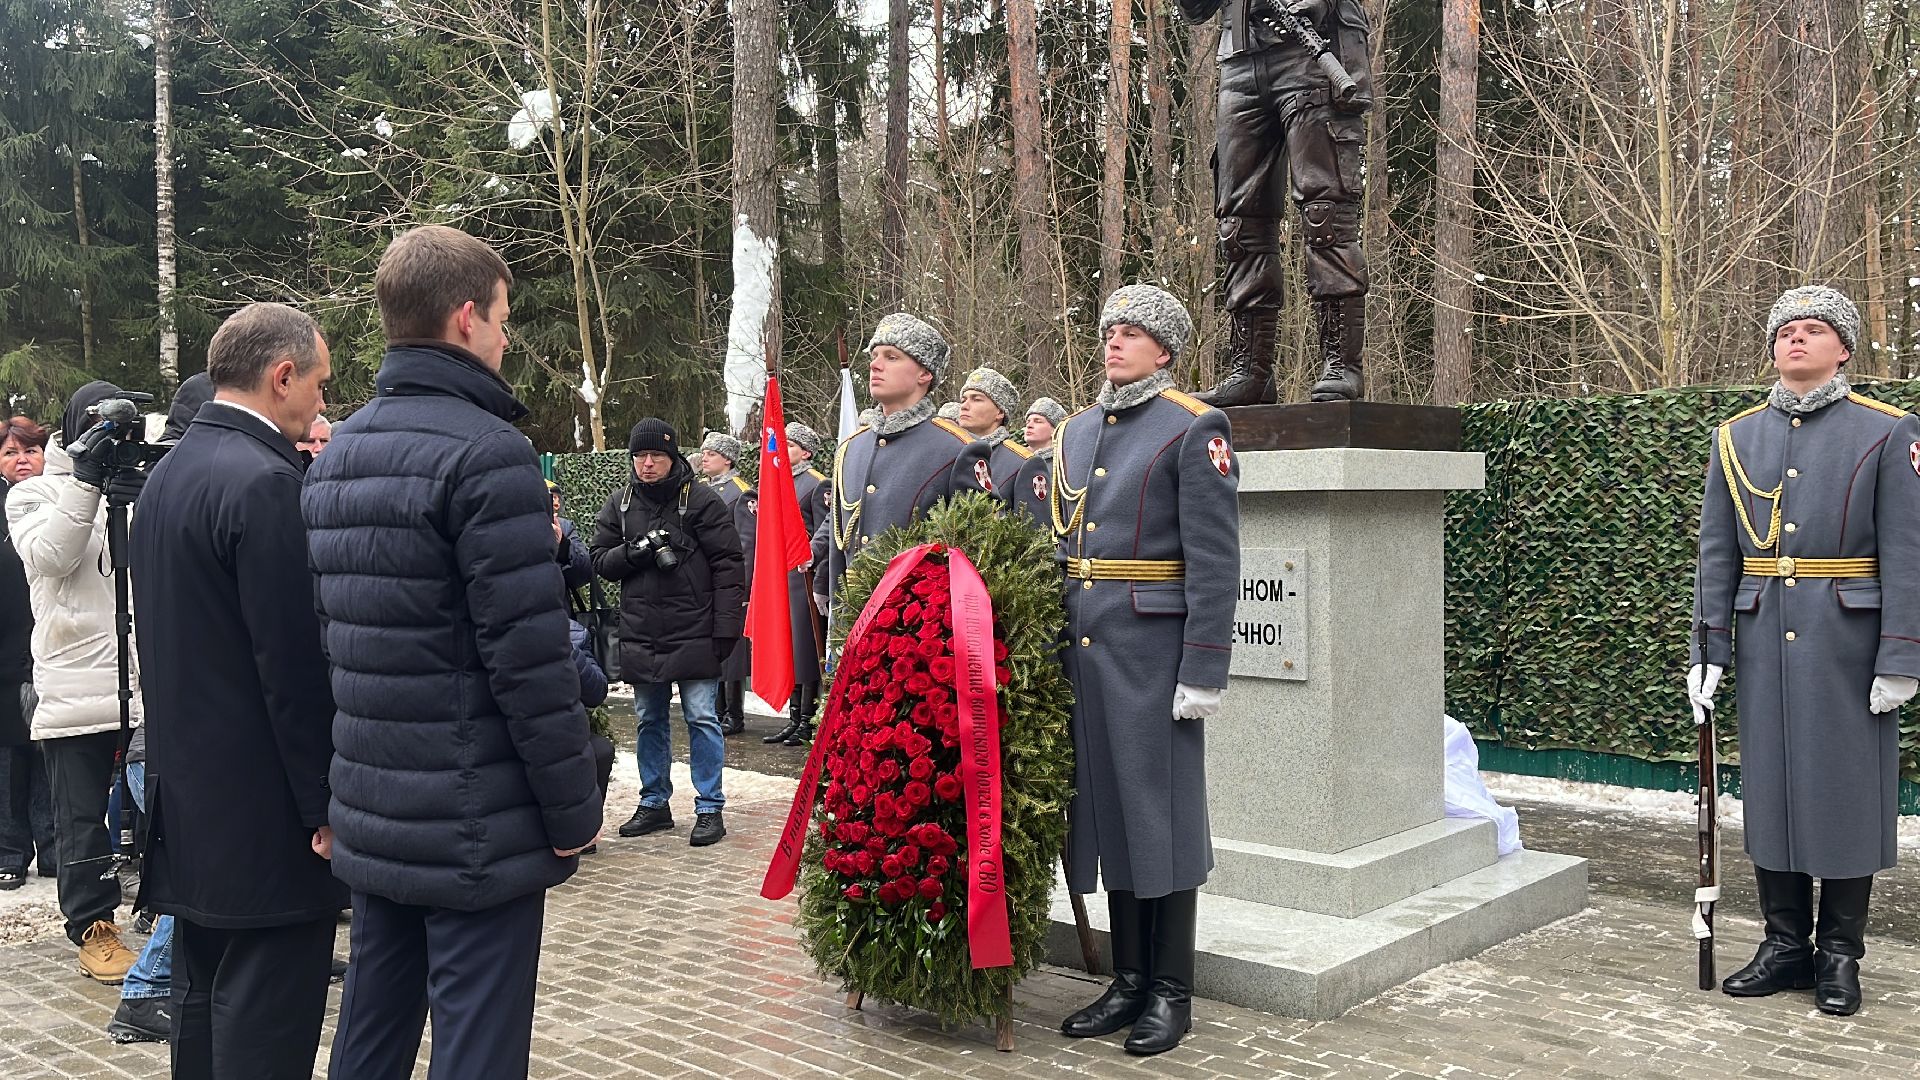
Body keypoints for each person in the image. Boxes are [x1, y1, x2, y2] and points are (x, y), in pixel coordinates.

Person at [305, 224, 603, 1080]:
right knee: (478, 1046)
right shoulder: (490, 455)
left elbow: (334, 646)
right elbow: (530, 661)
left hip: (377, 807)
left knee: (372, 1026)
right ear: (467, 317)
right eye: (504, 317)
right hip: (476, 823)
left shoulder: (337, 455)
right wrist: (573, 811)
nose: (509, 338)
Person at [1689, 285, 1920, 1017]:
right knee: (1773, 793)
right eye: (1785, 330)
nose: (1796, 339)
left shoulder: (1886, 431)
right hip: (1764, 641)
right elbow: (1716, 554)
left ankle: (1840, 954)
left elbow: (1908, 553)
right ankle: (1784, 945)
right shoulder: (1736, 437)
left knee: (1847, 798)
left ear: (1843, 348)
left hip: (1849, 643)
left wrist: (1902, 657)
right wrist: (1710, 648)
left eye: (1814, 330)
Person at [129, 302, 344, 1077]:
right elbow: (294, 667)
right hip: (265, 822)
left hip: (190, 806)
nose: (323, 400)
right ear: (282, 375)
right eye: (319, 382)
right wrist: (324, 807)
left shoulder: (170, 476)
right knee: (264, 1027)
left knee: (199, 1011)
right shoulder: (265, 483)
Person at [1051, 284, 1240, 1056]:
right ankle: (1127, 982)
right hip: (1086, 652)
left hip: (1153, 656)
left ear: (1164, 350)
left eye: (1131, 334)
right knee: (1111, 816)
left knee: (1161, 819)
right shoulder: (1077, 429)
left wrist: (1204, 668)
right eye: (1108, 332)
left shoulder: (1195, 429)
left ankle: (1170, 988)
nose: (1114, 343)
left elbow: (1215, 559)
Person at [4, 382, 148, 983]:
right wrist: (87, 480)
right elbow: (52, 558)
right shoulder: (35, 492)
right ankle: (93, 926)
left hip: (145, 676)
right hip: (74, 681)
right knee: (83, 818)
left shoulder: (133, 485)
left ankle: (163, 910)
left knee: (159, 806)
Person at [1177, 0, 1373, 404]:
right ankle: (1251, 372)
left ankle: (1342, 364)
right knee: (1238, 225)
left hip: (1316, 48)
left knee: (1326, 214)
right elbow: (1196, 10)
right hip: (1241, 60)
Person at [592, 419, 745, 847]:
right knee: (649, 720)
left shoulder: (702, 500)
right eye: (640, 456)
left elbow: (730, 568)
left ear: (673, 456)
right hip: (643, 632)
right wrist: (636, 551)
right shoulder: (619, 503)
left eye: (656, 455)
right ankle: (654, 803)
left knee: (702, 717)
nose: (647, 463)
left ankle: (710, 807)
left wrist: (726, 629)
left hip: (696, 629)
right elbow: (599, 559)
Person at [816, 313, 988, 617]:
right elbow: (839, 546)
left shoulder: (957, 449)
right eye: (874, 355)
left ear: (924, 374)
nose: (875, 364)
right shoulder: (850, 449)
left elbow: (983, 555)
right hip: (853, 631)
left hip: (921, 637)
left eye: (891, 357)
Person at [0, 415, 54, 891]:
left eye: (30, 451)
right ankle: (11, 850)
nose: (23, 460)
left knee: (50, 750)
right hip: (5, 645)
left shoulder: (61, 497)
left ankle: (53, 847)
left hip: (51, 641)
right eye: (12, 453)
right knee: (10, 754)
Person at [762, 422, 830, 747]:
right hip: (781, 577)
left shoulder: (817, 484)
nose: (783, 450)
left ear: (806, 452)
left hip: (804, 575)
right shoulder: (778, 483)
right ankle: (792, 718)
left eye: (790, 445)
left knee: (806, 649)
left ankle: (807, 719)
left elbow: (822, 530)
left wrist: (810, 557)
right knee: (789, 648)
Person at [698, 432, 755, 736]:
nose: (704, 457)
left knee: (731, 650)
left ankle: (734, 713)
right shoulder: (702, 490)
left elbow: (746, 545)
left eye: (711, 453)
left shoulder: (742, 493)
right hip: (705, 582)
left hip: (729, 583)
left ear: (728, 459)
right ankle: (716, 710)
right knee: (710, 647)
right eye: (704, 452)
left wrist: (742, 588)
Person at [955, 367, 1036, 494]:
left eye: (976, 399)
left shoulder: (1022, 464)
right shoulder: (949, 453)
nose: (964, 406)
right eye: (963, 400)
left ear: (1000, 412)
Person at [1006, 397, 1068, 521]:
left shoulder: (1063, 464)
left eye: (1037, 421)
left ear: (1054, 430)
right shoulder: (1014, 460)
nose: (1029, 425)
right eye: (1028, 421)